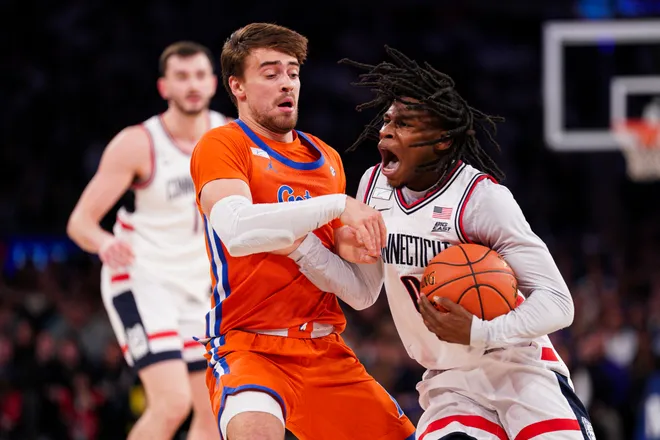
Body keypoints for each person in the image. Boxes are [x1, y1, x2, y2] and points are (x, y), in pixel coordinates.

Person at [285, 46, 597, 440]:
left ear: (442, 141)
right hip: (449, 380)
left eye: (405, 123)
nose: (386, 130)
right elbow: (363, 291)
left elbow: (558, 303)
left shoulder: (481, 199)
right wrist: (298, 245)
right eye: (387, 121)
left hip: (520, 367)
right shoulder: (372, 188)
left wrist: (480, 331)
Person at [190, 23, 416, 440]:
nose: (287, 84)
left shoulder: (326, 158)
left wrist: (300, 248)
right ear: (237, 86)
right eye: (271, 73)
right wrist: (336, 206)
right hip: (248, 346)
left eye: (293, 72)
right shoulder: (223, 144)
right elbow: (236, 231)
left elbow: (360, 294)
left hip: (324, 350)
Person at [67, 41, 230, 440]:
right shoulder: (138, 142)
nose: (191, 84)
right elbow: (80, 223)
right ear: (164, 87)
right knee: (172, 403)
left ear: (213, 83)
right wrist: (104, 243)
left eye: (198, 76)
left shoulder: (228, 135)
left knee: (212, 412)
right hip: (143, 277)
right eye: (181, 76)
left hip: (199, 286)